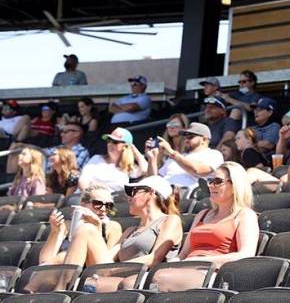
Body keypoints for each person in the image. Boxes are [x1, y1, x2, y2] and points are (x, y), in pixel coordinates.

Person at [42, 177, 182, 289]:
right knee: (86, 229)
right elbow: (105, 258)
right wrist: (96, 228)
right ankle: (62, 290)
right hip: (116, 276)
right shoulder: (130, 230)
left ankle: (61, 291)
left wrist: (113, 269)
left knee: (87, 232)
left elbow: (154, 259)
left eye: (133, 193)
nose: (129, 198)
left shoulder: (170, 220)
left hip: (141, 278)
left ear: (150, 194)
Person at [154, 163, 259, 291]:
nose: (210, 185)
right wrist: (174, 262)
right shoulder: (202, 214)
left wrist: (202, 262)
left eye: (217, 181)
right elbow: (183, 254)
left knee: (160, 279)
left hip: (213, 272)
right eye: (210, 181)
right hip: (186, 268)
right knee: (129, 283)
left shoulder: (245, 215)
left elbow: (246, 255)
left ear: (235, 185)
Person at [37, 185, 123, 275]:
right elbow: (44, 261)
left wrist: (97, 227)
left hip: (86, 274)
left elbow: (106, 263)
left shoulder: (112, 227)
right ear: (83, 204)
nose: (103, 209)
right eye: (97, 203)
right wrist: (55, 231)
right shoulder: (67, 225)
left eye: (109, 205)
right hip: (55, 271)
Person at [146, 122, 225, 190]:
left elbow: (198, 170)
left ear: (204, 139)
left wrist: (171, 152)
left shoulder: (214, 154)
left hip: (191, 200)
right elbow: (153, 181)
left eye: (190, 136)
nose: (186, 139)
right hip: (168, 198)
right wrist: (152, 159)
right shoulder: (177, 157)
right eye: (185, 136)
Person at [79, 128, 146, 193]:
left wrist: (134, 150)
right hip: (89, 199)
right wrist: (91, 197)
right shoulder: (97, 159)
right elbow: (83, 181)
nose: (110, 144)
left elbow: (144, 170)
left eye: (115, 142)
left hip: (114, 202)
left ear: (125, 146)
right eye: (109, 140)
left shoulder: (128, 167)